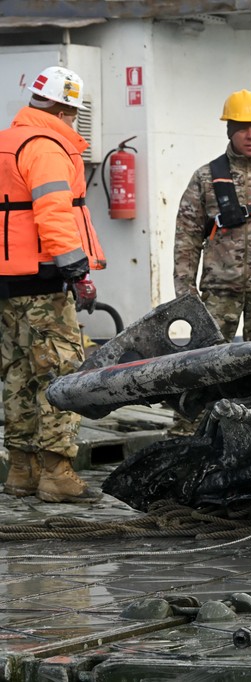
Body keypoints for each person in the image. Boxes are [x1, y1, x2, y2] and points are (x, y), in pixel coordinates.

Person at [0, 66, 106, 503]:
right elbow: (53, 214)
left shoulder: (8, 140)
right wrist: (77, 272)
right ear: (65, 108)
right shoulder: (45, 147)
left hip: (8, 282)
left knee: (19, 373)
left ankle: (21, 470)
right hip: (42, 280)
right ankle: (57, 473)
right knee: (61, 372)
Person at [174, 90, 251, 342]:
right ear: (230, 131)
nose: (250, 135)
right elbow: (186, 238)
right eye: (242, 128)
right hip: (219, 291)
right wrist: (185, 291)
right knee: (207, 361)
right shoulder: (205, 178)